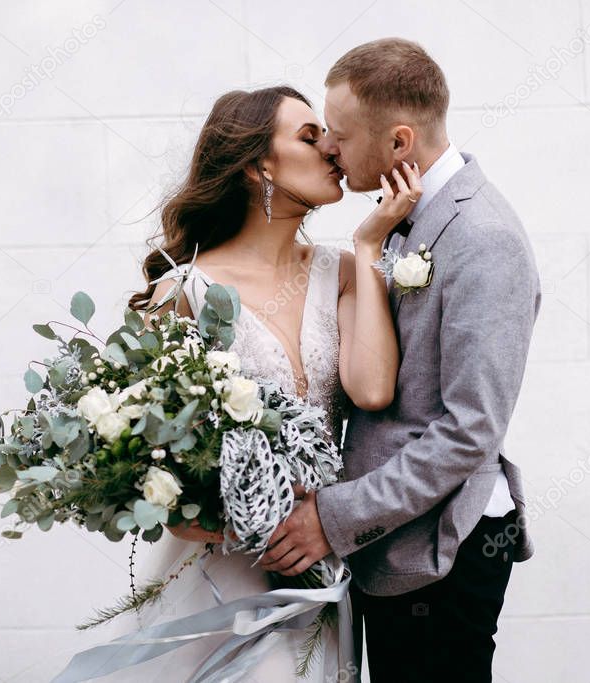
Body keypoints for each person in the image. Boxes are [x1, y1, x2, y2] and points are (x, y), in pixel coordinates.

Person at [82, 85, 422, 681]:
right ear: (258, 164)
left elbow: (371, 390)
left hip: (319, 568)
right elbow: (140, 466)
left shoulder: (343, 271)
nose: (333, 151)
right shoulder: (181, 293)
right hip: (223, 574)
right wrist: (238, 520)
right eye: (310, 137)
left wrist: (370, 244)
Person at [259, 38, 542, 682]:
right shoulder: (411, 220)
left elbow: (470, 430)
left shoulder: (483, 238)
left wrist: (334, 518)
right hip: (397, 552)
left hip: (443, 555)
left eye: (340, 134)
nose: (329, 148)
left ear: (399, 143)